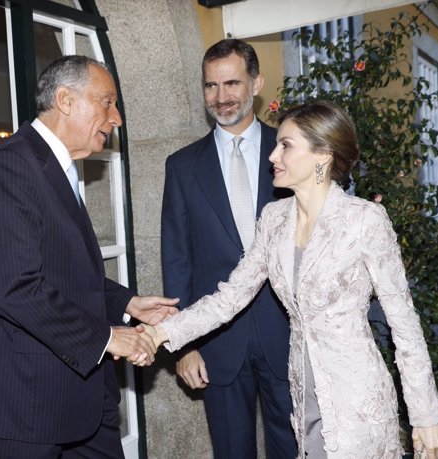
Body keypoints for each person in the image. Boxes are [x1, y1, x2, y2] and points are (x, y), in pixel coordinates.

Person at [149, 100, 438, 458]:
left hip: (356, 396)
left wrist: (426, 415)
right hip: (301, 389)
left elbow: (404, 324)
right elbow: (229, 298)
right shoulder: (274, 219)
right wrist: (160, 333)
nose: (273, 155)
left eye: (286, 146)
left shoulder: (364, 220)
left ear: (321, 155)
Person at [0, 55, 178, 458]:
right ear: (66, 100)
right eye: (107, 102)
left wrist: (127, 304)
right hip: (20, 404)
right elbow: (17, 288)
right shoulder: (10, 166)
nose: (116, 118)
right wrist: (110, 338)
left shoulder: (55, 167)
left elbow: (61, 273)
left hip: (77, 397)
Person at [161, 38, 296, 458]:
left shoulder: (294, 152)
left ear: (256, 83)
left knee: (297, 449)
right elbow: (176, 260)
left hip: (290, 334)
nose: (221, 97)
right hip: (216, 342)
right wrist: (184, 346)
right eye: (211, 86)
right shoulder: (181, 167)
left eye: (232, 83)